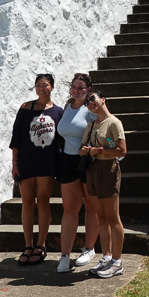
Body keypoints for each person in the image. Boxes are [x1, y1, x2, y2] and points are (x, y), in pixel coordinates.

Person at [9, 73, 63, 265]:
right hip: (26, 161)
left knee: (43, 202)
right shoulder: (25, 108)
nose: (42, 88)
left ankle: (41, 244)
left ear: (52, 87)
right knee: (27, 202)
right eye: (38, 85)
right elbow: (16, 138)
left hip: (47, 162)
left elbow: (61, 140)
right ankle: (27, 245)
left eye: (45, 85)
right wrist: (15, 163)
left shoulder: (58, 112)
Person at [55, 73, 100, 273]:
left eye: (81, 88)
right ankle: (64, 256)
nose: (77, 90)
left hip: (88, 161)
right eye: (74, 87)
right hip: (67, 160)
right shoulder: (66, 107)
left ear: (88, 89)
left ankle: (89, 249)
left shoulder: (91, 109)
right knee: (70, 208)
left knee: (91, 204)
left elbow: (102, 130)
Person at [80, 89, 127, 279]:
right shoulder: (91, 125)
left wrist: (99, 150)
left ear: (103, 99)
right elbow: (81, 148)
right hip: (92, 170)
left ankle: (117, 262)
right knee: (101, 217)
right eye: (87, 102)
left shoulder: (114, 122)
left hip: (108, 170)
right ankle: (106, 257)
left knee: (113, 217)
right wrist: (84, 150)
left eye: (92, 98)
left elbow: (122, 151)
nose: (90, 103)